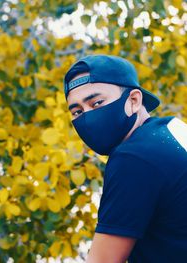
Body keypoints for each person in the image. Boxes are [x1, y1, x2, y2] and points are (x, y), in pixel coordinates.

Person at [63, 54, 187, 263]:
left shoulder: (133, 158)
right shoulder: (174, 130)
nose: (86, 117)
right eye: (77, 112)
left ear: (134, 100)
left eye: (97, 102)